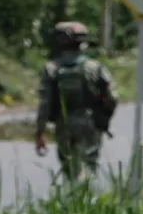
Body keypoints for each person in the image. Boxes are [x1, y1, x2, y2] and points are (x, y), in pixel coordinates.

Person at [34, 22, 117, 180]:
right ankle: (84, 191)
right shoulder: (96, 68)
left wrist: (40, 132)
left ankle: (75, 190)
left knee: (69, 167)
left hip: (63, 124)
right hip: (89, 123)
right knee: (89, 165)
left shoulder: (51, 69)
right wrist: (104, 118)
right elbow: (112, 97)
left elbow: (44, 104)